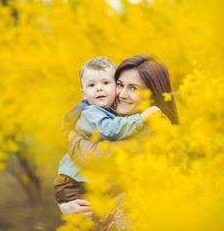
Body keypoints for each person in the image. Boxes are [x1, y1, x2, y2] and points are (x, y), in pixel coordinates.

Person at [58, 54, 179, 222]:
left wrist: (73, 139)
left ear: (152, 96)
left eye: (133, 88)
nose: (122, 94)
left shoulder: (155, 125)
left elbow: (99, 158)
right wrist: (66, 204)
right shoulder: (115, 117)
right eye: (120, 85)